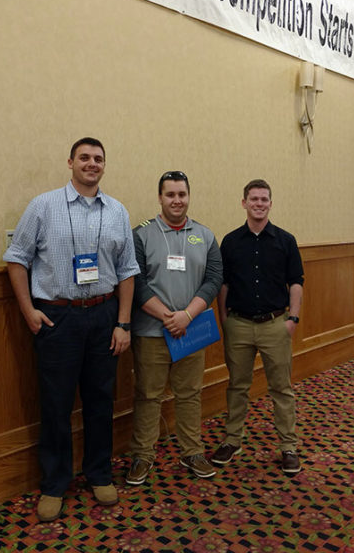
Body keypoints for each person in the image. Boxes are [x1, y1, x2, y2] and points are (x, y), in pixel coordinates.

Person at [3, 137, 140, 522]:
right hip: (56, 318)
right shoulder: (43, 206)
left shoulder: (116, 211)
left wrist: (123, 322)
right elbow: (16, 259)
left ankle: (99, 474)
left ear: (104, 165)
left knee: (100, 401)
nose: (91, 164)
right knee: (56, 404)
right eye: (84, 157)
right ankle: (55, 484)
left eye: (98, 159)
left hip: (103, 316)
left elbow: (128, 270)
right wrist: (29, 311)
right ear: (70, 162)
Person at [128, 171, 222, 484]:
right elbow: (136, 283)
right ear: (160, 197)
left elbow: (213, 280)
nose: (177, 200)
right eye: (170, 195)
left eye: (182, 194)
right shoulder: (140, 234)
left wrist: (187, 316)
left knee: (190, 393)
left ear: (188, 196)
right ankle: (142, 456)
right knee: (148, 394)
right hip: (151, 331)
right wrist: (168, 316)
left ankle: (192, 451)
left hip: (191, 329)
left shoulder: (206, 235)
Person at [211, 179, 304, 474]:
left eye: (264, 199)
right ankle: (232, 440)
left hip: (275, 324)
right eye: (254, 199)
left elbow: (297, 283)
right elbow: (223, 284)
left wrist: (293, 320)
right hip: (237, 324)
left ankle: (288, 446)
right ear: (244, 203)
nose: (259, 204)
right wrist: (224, 319)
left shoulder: (286, 241)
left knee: (281, 387)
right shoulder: (230, 241)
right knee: (237, 386)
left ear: (270, 204)